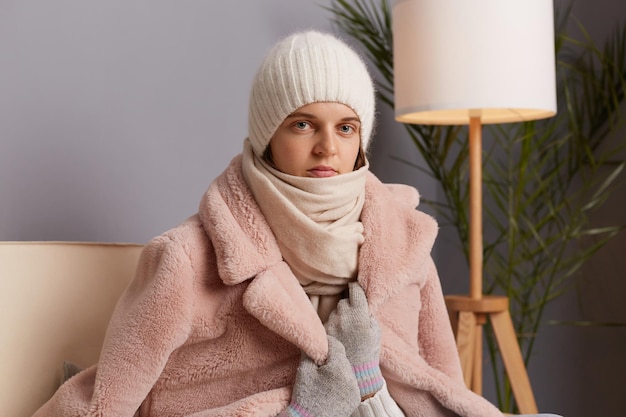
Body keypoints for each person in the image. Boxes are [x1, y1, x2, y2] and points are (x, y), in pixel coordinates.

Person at [32, 31, 554, 417]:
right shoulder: (187, 258)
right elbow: (111, 403)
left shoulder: (407, 243)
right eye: (303, 124)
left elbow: (442, 391)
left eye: (345, 127)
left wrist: (369, 383)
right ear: (267, 136)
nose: (328, 146)